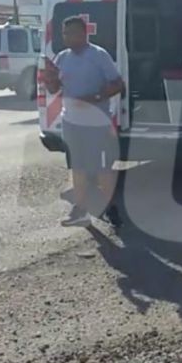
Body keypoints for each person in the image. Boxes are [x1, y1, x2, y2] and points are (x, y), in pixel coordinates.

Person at [42, 16, 125, 227]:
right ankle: (80, 210)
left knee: (102, 169)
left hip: (97, 122)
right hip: (71, 122)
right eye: (65, 34)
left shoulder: (98, 56)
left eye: (72, 33)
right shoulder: (62, 57)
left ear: (84, 33)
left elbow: (118, 84)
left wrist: (93, 98)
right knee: (77, 167)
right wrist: (49, 79)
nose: (67, 38)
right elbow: (55, 89)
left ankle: (110, 207)